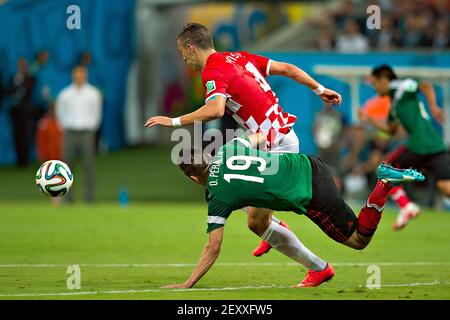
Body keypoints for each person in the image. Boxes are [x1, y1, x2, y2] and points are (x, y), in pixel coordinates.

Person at [145, 22, 342, 258]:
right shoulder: (239, 57)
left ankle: (316, 266)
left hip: (274, 143)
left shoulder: (212, 71)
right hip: (275, 137)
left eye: (182, 53)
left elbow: (215, 110)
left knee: (253, 218)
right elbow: (288, 69)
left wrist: (174, 121)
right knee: (230, 181)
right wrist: (320, 89)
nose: (184, 59)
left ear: (190, 48)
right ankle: (275, 226)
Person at [162, 133, 424, 289]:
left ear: (194, 179)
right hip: (308, 163)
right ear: (208, 157)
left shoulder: (216, 194)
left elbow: (213, 246)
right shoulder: (228, 149)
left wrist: (188, 283)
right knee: (255, 221)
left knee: (358, 240)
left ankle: (384, 183)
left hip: (311, 193)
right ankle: (314, 264)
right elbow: (261, 137)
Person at [360, 64, 450, 230]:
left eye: (375, 83)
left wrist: (433, 107)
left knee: (385, 168)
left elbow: (425, 85)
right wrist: (370, 119)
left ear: (384, 79)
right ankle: (406, 207)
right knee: (446, 189)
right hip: (434, 145)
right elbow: (391, 130)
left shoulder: (401, 87)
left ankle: (407, 207)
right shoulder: (394, 105)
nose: (374, 88)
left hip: (419, 143)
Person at [55, 65, 102, 203]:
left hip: (87, 132)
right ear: (73, 75)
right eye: (77, 74)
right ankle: (68, 198)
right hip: (70, 132)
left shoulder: (93, 93)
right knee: (67, 166)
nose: (79, 77)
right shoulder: (65, 94)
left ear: (85, 75)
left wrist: (92, 127)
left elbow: (97, 113)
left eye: (81, 74)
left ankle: (89, 198)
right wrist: (64, 126)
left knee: (89, 165)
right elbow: (60, 113)